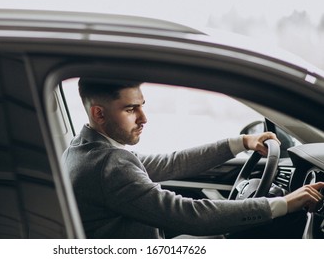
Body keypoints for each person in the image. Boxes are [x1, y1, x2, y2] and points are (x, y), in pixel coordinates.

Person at [62, 77, 324, 239]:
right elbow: (189, 215)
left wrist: (241, 142)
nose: (144, 118)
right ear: (99, 114)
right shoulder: (108, 165)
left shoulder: (83, 147)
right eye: (131, 109)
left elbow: (168, 163)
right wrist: (283, 204)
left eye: (142, 105)